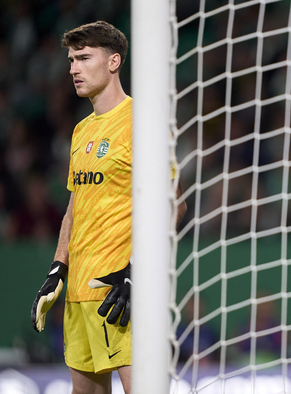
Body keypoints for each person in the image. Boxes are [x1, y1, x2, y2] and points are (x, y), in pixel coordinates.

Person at [30, 21, 186, 394]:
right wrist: (58, 267)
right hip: (79, 295)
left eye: (84, 58)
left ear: (114, 61)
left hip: (122, 292)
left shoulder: (142, 122)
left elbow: (174, 204)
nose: (73, 69)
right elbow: (74, 206)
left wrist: (138, 271)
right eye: (71, 60)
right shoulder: (82, 130)